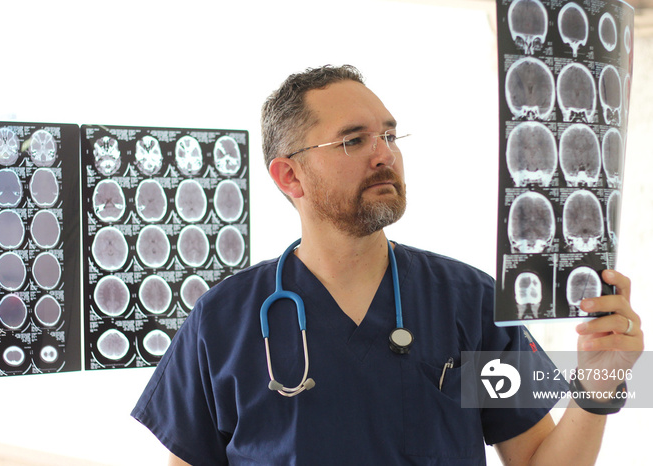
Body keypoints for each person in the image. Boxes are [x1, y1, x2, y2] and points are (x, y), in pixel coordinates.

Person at [131, 65, 643, 465]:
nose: (385, 155)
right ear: (290, 176)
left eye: (391, 136)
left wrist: (594, 391)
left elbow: (536, 460)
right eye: (354, 140)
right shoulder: (223, 320)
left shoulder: (470, 302)